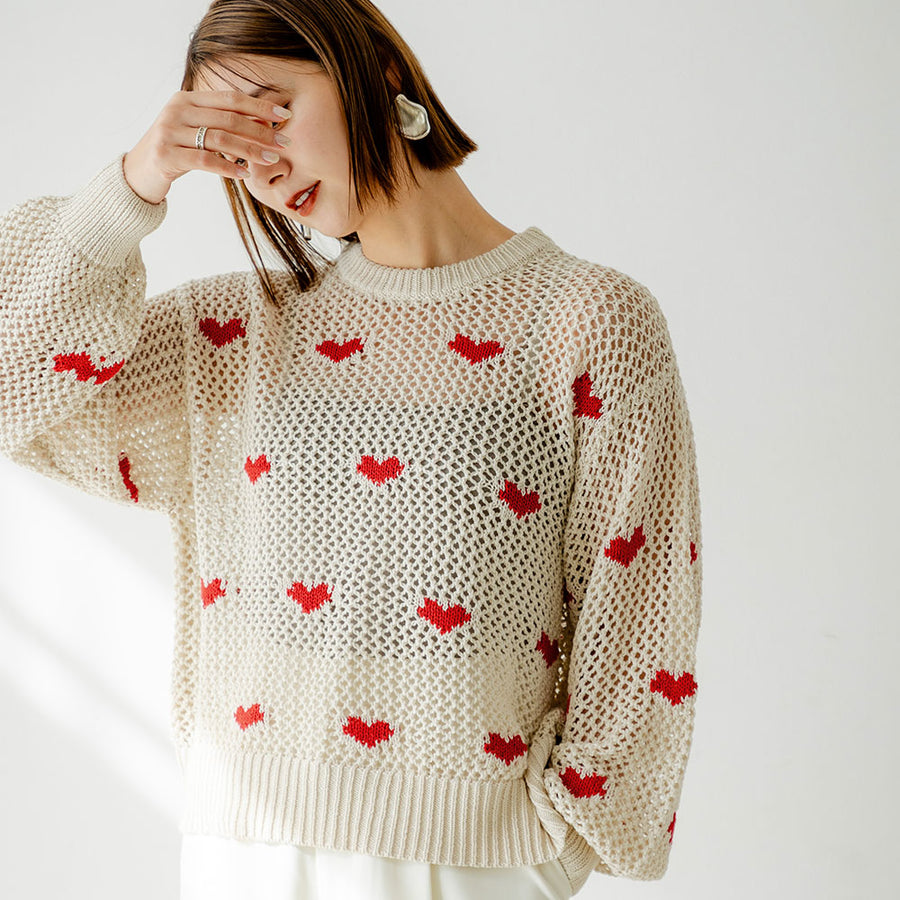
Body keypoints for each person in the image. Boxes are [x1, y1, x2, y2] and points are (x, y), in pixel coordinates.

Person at [0, 1, 703, 898]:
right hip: (243, 856)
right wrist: (134, 187)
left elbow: (640, 605)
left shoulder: (588, 321)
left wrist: (559, 849)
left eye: (272, 113)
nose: (261, 164)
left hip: (471, 864)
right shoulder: (233, 335)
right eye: (232, 147)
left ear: (380, 72)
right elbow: (12, 386)